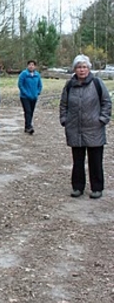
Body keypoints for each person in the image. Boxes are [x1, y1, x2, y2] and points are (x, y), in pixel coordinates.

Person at [59, 54, 112, 199]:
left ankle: (97, 188)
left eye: (84, 67)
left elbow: (106, 102)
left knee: (95, 161)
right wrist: (64, 119)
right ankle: (77, 187)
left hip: (94, 128)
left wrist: (102, 119)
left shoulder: (97, 83)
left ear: (88, 68)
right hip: (74, 129)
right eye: (78, 67)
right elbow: (63, 104)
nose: (81, 70)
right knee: (77, 161)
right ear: (74, 69)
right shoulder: (69, 85)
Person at [18, 59, 43, 134]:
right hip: (25, 97)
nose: (31, 66)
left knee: (31, 112)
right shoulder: (24, 74)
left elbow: (40, 85)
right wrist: (25, 93)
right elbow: (20, 84)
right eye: (30, 65)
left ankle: (27, 126)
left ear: (35, 66)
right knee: (27, 111)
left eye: (33, 65)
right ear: (27, 66)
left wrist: (38, 92)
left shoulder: (37, 75)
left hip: (34, 97)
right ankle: (29, 127)